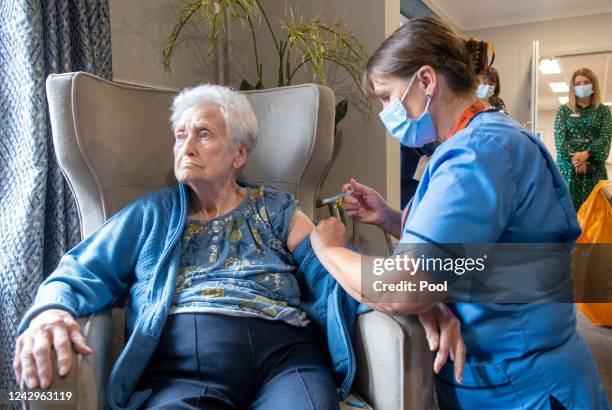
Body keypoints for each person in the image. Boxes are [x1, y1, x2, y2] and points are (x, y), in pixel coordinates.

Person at [14, 84, 462, 409]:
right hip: (184, 365)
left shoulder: (278, 209)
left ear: (240, 154)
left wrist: (408, 300)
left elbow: (332, 273)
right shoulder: (151, 214)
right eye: (180, 135)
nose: (185, 146)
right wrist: (53, 309)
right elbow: (82, 268)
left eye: (203, 134)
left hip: (288, 357)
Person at [309, 17, 610, 409]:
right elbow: (468, 247)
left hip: (523, 384)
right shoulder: (480, 142)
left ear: (426, 82)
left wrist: (329, 248)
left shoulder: (478, 152)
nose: (386, 111)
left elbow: (405, 287)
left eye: (386, 97)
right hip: (504, 376)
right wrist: (388, 217)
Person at [554, 67, 612, 211]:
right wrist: (577, 162)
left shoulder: (603, 111)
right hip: (568, 172)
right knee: (569, 216)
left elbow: (605, 138)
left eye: (586, 82)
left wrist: (587, 154)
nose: (581, 86)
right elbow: (560, 141)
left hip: (594, 172)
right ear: (573, 88)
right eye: (578, 83)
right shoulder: (564, 110)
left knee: (595, 219)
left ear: (593, 85)